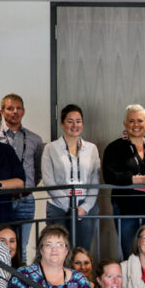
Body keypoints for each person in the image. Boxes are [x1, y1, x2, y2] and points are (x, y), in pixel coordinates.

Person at [103, 104, 145, 258]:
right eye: (131, 121)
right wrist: (138, 179)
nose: (136, 125)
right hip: (126, 209)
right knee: (130, 253)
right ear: (125, 124)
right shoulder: (114, 148)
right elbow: (110, 176)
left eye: (140, 120)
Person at [41, 104, 101, 251]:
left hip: (86, 206)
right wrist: (69, 205)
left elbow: (95, 180)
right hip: (58, 206)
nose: (75, 125)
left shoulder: (91, 148)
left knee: (82, 251)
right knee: (59, 251)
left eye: (78, 121)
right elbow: (49, 181)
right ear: (62, 123)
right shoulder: (50, 148)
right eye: (70, 121)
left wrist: (85, 207)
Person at [0, 94, 45, 253]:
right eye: (10, 108)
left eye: (18, 108)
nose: (15, 112)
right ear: (2, 112)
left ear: (24, 111)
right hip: (2, 199)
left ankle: (20, 278)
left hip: (26, 200)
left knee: (21, 248)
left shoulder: (35, 139)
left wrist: (28, 185)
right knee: (1, 246)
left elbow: (38, 171)